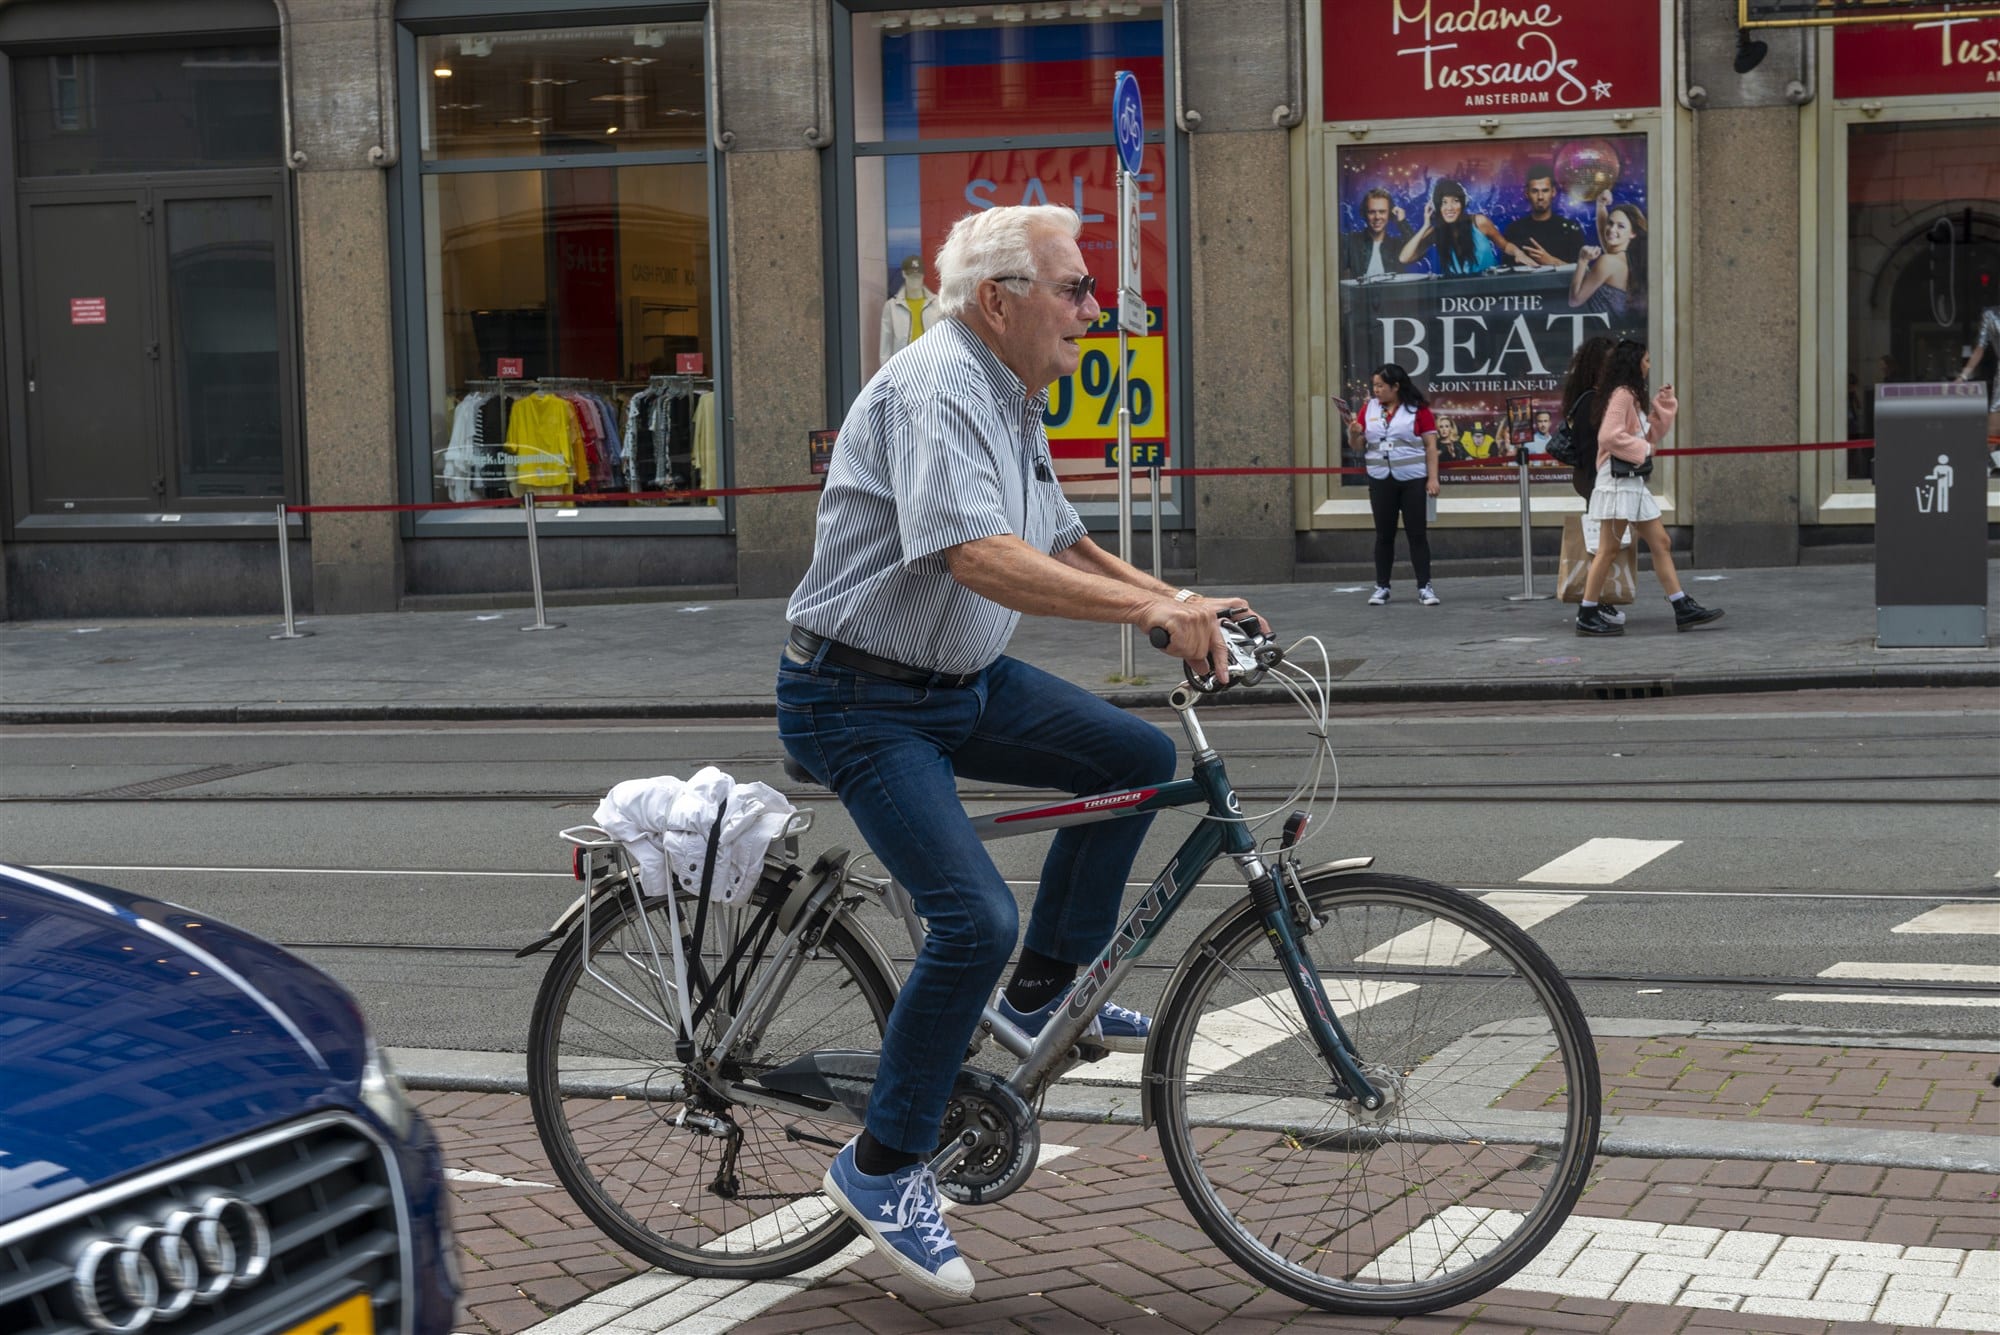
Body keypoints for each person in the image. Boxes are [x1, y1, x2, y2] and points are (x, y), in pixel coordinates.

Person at [779, 203, 1268, 1301]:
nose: (1095, 311)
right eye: (1074, 289)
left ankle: (1048, 994)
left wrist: (1178, 598)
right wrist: (1146, 622)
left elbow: (1056, 533)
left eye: (1090, 291)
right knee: (970, 921)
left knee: (1133, 761)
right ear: (997, 298)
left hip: (961, 682)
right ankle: (882, 1166)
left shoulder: (1009, 391)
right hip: (858, 699)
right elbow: (978, 559)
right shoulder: (936, 385)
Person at [1575, 338, 1723, 636]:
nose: (1648, 365)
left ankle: (1681, 606)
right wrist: (1643, 448)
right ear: (1634, 363)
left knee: (1661, 543)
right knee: (1608, 548)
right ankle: (1587, 612)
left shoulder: (1629, 395)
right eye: (1645, 360)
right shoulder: (1622, 395)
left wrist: (1663, 407)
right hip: (1617, 482)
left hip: (1630, 482)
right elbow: (1609, 437)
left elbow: (1648, 433)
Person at [1347, 362, 1442, 607]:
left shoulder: (1417, 410)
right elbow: (1357, 446)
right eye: (1374, 386)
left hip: (1412, 477)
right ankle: (1382, 586)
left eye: (1381, 386)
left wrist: (1432, 478)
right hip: (1380, 478)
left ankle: (1425, 586)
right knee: (1384, 535)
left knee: (1417, 534)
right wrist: (1354, 433)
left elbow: (1431, 446)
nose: (1376, 390)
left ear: (1395, 387)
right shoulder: (1368, 409)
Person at [1559, 335, 1624, 626]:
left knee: (1605, 544)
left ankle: (1598, 601)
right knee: (1601, 545)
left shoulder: (1592, 398)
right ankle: (1594, 603)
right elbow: (1590, 450)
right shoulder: (1592, 401)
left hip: (1596, 480)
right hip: (1597, 480)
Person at [1400, 178, 1528, 275]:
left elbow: (1505, 245)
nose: (1449, 208)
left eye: (1455, 201)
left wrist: (1518, 252)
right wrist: (1425, 226)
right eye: (1444, 202)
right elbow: (1404, 258)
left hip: (1490, 288)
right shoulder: (1436, 232)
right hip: (1459, 295)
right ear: (1437, 206)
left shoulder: (1479, 221)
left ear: (1462, 203)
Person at [1567, 197, 1648, 336]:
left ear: (1632, 233)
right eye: (1610, 223)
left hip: (1607, 339)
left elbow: (1575, 301)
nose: (1611, 229)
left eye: (1620, 226)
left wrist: (1582, 261)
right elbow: (1608, 237)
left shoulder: (1607, 262)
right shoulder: (1628, 259)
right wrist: (1600, 206)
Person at [1503, 163, 1585, 267]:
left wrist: (1551, 261)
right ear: (1527, 194)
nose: (1540, 197)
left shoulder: (1570, 229)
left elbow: (1581, 271)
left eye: (1545, 190)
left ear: (1553, 192)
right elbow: (1506, 274)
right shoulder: (1514, 230)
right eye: (1535, 191)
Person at [1954, 305, 2000, 469]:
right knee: (1996, 410)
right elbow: (1980, 347)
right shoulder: (1990, 315)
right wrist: (1964, 375)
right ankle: (1990, 459)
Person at [1340, 187, 1412, 279]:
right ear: (1365, 214)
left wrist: (1402, 223)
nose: (1377, 217)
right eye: (1372, 212)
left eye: (1382, 212)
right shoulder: (1350, 241)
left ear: (1390, 214)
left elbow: (1417, 252)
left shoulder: (1396, 245)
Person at [878, 254, 932, 366]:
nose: (915, 281)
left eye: (918, 277)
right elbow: (885, 348)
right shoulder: (891, 306)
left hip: (931, 367)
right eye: (912, 276)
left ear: (923, 276)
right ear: (904, 274)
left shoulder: (937, 306)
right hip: (903, 369)